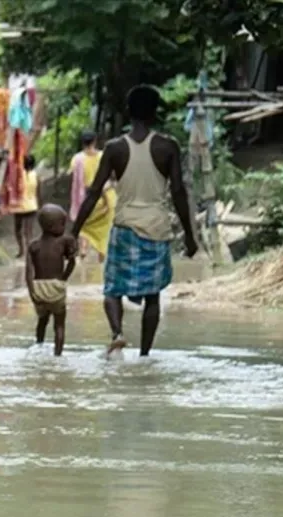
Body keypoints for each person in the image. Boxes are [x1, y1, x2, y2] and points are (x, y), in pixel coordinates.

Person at [70, 85, 198, 357]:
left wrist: (74, 231)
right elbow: (178, 192)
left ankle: (117, 334)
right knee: (152, 296)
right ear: (155, 112)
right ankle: (145, 355)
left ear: (128, 112)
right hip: (156, 229)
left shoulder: (115, 148)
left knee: (112, 289)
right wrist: (189, 234)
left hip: (124, 227)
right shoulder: (168, 147)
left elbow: (94, 192)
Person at [25, 204, 79, 356]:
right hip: (56, 287)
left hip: (38, 288)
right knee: (59, 325)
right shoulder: (63, 242)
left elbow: (29, 272)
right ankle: (58, 355)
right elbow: (72, 263)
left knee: (42, 321)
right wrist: (63, 279)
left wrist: (32, 292)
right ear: (51, 226)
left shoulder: (33, 245)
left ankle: (39, 345)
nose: (64, 226)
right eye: (62, 223)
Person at [68, 130, 116, 261]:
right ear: (95, 141)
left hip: (88, 199)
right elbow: (110, 176)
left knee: (84, 226)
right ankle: (102, 258)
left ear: (82, 142)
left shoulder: (77, 159)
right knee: (105, 230)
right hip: (107, 198)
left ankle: (83, 250)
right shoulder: (103, 156)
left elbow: (74, 179)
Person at [10, 154, 40, 258]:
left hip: (19, 207)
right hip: (32, 206)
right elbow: (37, 192)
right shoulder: (36, 175)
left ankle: (21, 250)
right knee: (29, 232)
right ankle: (29, 252)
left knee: (18, 230)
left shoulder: (18, 175)